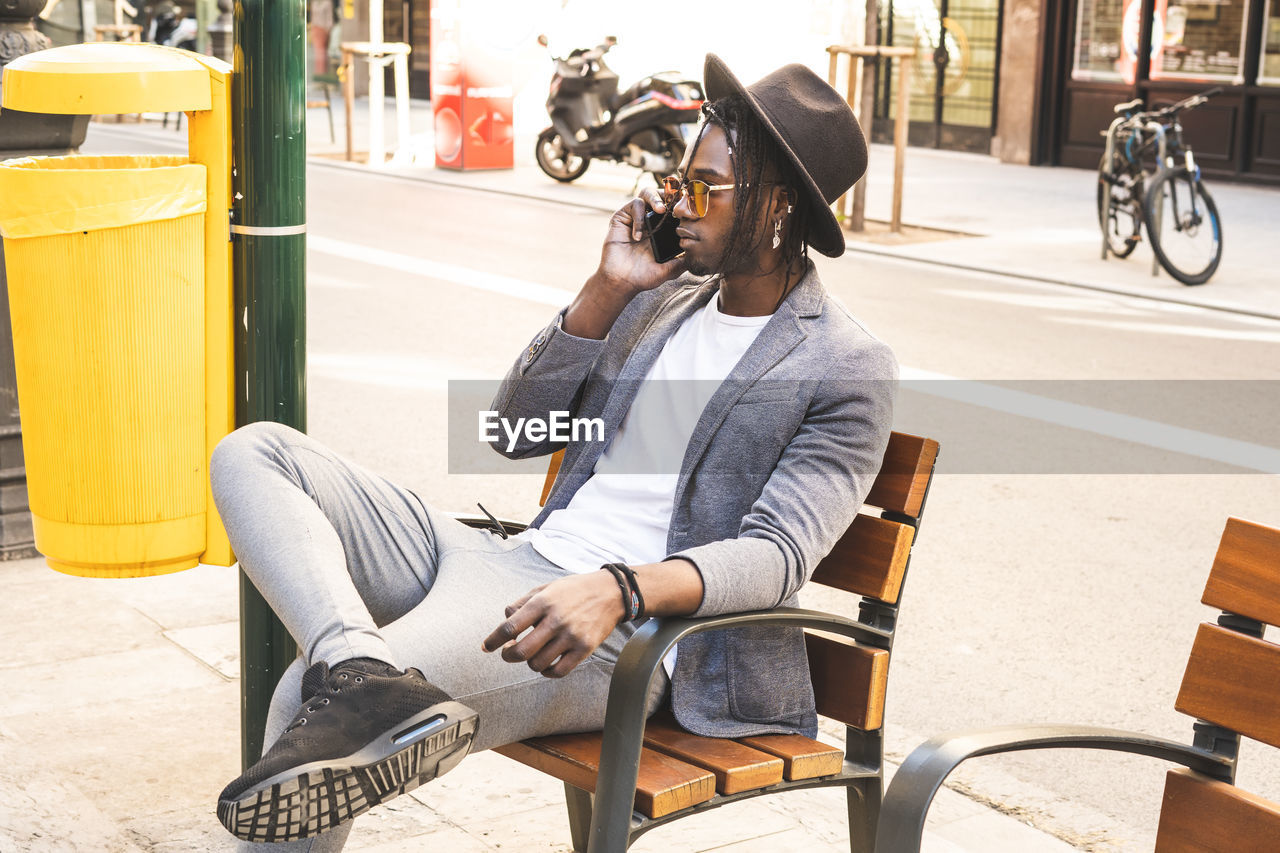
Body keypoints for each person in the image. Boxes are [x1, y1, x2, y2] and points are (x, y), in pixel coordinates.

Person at [212, 53, 896, 849]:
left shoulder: (843, 364)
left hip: (617, 632)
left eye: (704, 187)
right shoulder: (663, 299)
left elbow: (777, 556)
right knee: (256, 451)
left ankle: (353, 681)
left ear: (777, 208)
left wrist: (617, 588)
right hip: (509, 555)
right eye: (680, 178)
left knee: (306, 700)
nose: (679, 199)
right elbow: (513, 430)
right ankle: (361, 665)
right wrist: (606, 290)